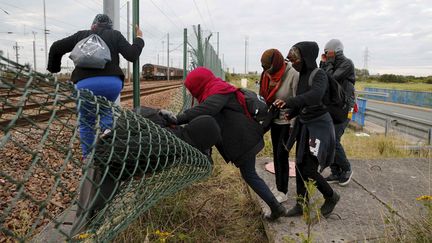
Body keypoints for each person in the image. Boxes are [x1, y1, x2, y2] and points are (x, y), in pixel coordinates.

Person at [173, 67, 288, 220]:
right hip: (242, 137)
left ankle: (276, 207)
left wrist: (177, 119)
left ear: (198, 83)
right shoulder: (214, 88)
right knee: (249, 174)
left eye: (191, 87)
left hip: (243, 139)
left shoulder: (218, 91)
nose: (190, 92)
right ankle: (275, 207)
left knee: (250, 175)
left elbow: (207, 110)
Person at [47, 14, 145, 157]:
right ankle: (107, 139)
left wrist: (54, 68)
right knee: (106, 111)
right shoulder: (115, 35)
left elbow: (56, 47)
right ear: (110, 26)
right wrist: (139, 39)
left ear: (93, 25)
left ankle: (89, 159)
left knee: (87, 120)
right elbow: (131, 55)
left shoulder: (81, 35)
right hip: (111, 84)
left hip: (85, 84)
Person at [273, 41, 339, 217]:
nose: (293, 63)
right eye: (291, 60)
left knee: (310, 168)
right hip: (305, 124)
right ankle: (301, 205)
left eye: (295, 60)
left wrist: (290, 102)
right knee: (301, 165)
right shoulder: (301, 75)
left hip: (319, 127)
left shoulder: (319, 75)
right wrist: (292, 112)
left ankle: (331, 196)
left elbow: (315, 96)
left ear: (306, 58)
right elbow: (303, 100)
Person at [259, 49, 298, 195]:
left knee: (282, 155)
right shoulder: (266, 75)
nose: (265, 71)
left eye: (267, 67)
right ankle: (279, 187)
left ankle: (283, 191)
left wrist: (292, 127)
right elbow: (262, 97)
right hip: (273, 119)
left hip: (286, 122)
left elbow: (297, 101)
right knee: (276, 154)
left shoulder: (293, 74)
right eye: (263, 67)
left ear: (276, 64)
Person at [319, 39, 355, 186]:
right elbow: (321, 78)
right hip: (334, 106)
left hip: (346, 108)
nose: (326, 55)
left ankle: (346, 169)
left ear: (335, 51)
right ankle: (335, 171)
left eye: (328, 53)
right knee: (328, 139)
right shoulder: (331, 63)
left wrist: (327, 63)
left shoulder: (347, 63)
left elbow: (331, 79)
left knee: (334, 139)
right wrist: (323, 64)